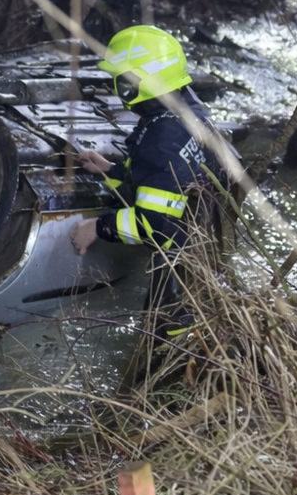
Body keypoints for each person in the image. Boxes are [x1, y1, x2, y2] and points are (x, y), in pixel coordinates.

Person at [70, 24, 227, 337]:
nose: (117, 88)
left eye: (122, 79)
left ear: (138, 83)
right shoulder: (186, 110)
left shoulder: (161, 141)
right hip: (205, 248)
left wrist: (98, 227)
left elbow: (154, 224)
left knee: (162, 337)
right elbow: (166, 180)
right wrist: (110, 171)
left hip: (179, 275)